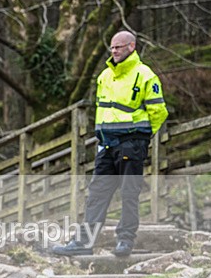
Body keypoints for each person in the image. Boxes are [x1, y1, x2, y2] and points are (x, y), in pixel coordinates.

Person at [53, 30, 168, 257]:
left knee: (129, 193)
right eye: (112, 47)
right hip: (106, 145)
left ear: (131, 47)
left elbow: (158, 111)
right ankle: (83, 243)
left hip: (131, 144)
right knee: (96, 194)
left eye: (119, 47)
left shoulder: (145, 75)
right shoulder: (104, 76)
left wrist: (141, 137)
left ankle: (125, 241)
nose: (114, 51)